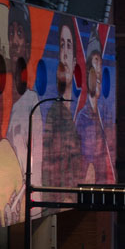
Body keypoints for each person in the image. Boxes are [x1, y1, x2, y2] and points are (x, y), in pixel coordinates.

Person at [3, 2, 40, 223]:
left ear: (27, 44)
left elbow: (35, 168)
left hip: (20, 203)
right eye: (10, 32)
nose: (15, 40)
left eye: (20, 32)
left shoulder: (32, 102)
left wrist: (20, 204)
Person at [42, 17, 81, 197]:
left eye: (69, 45)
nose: (64, 53)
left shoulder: (76, 116)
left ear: (74, 62)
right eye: (62, 45)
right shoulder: (51, 112)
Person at [74, 37, 115, 184]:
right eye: (94, 63)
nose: (97, 72)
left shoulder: (105, 115)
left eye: (100, 64)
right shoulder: (82, 119)